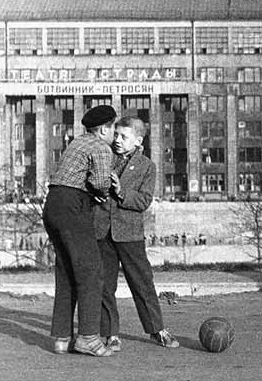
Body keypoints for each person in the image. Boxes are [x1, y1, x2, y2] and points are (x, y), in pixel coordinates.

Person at [94, 117, 179, 351]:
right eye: (116, 135)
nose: (117, 140)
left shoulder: (147, 166)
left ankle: (156, 329)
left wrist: (121, 192)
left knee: (142, 282)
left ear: (138, 140)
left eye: (124, 137)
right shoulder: (103, 157)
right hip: (101, 232)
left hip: (129, 233)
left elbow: (143, 201)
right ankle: (110, 334)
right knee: (104, 285)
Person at [43, 104, 116, 357]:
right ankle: (88, 337)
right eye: (113, 128)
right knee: (91, 270)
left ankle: (62, 338)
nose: (114, 134)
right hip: (73, 207)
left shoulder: (77, 143)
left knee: (66, 271)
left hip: (52, 204)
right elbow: (100, 183)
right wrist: (109, 188)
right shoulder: (101, 147)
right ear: (105, 129)